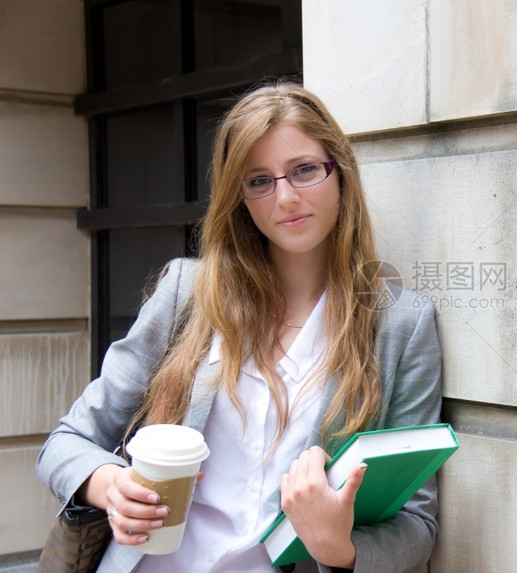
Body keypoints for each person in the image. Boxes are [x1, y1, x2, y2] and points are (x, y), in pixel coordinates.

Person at [36, 81, 443, 573]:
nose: (286, 197)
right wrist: (110, 487)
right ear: (240, 198)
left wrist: (338, 546)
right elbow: (66, 442)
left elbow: (417, 524)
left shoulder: (400, 325)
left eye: (304, 170)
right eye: (259, 181)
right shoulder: (188, 293)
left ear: (341, 173)